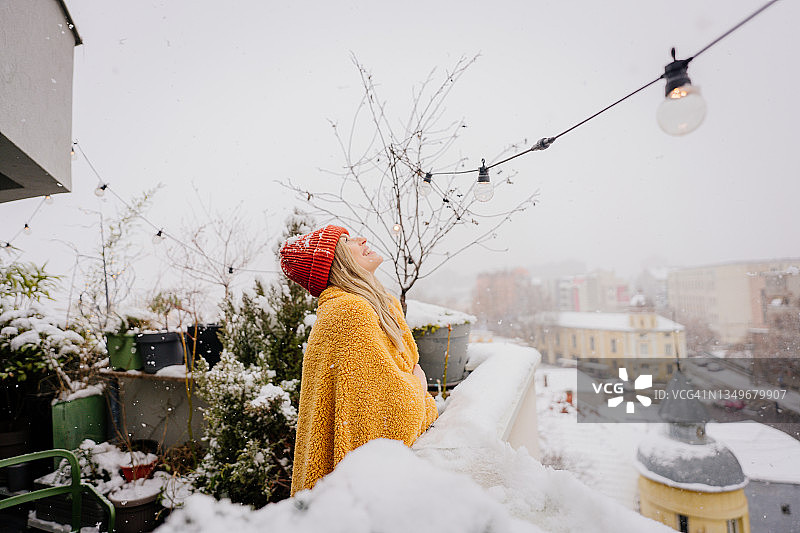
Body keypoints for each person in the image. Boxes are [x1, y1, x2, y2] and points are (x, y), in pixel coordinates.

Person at [279, 225, 439, 495]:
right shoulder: (349, 312)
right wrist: (419, 385)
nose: (363, 238)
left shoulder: (372, 305)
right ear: (335, 262)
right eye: (347, 240)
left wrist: (410, 382)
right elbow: (387, 421)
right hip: (357, 497)